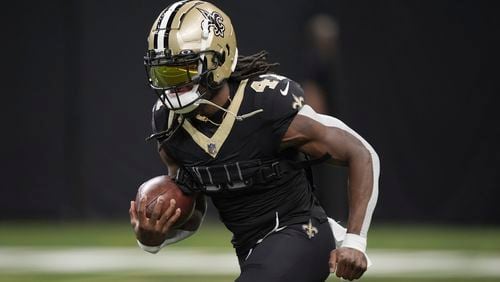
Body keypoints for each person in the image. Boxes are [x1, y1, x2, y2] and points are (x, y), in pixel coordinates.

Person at [129, 1, 379, 281]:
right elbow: (192, 209)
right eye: (166, 73)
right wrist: (153, 237)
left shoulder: (264, 104)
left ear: (220, 59)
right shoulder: (169, 124)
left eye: (185, 70)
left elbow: (360, 152)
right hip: (251, 249)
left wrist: (355, 241)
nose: (175, 86)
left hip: (301, 231)